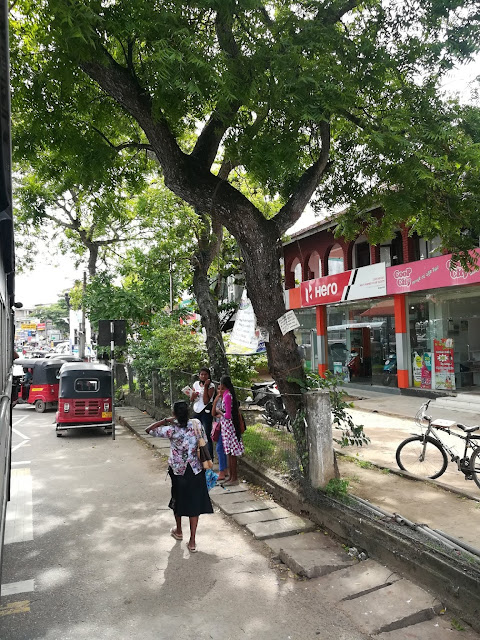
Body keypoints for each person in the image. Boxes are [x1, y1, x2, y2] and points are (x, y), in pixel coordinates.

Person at [145, 400, 213, 552]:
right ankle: (193, 541)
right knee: (194, 504)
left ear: (175, 414)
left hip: (178, 471)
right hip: (196, 470)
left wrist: (165, 420)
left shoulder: (171, 429)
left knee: (178, 500)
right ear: (188, 412)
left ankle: (179, 531)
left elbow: (148, 430)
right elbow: (205, 442)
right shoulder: (196, 425)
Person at [217, 375, 244, 486]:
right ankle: (232, 477)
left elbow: (228, 415)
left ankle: (234, 478)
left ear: (223, 385)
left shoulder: (227, 396)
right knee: (229, 453)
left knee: (232, 453)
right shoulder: (227, 394)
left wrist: (220, 412)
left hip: (229, 428)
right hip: (227, 428)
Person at [191, 367, 215, 460]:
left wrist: (205, 386)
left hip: (205, 412)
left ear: (208, 376)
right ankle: (198, 456)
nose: (203, 376)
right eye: (202, 374)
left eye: (205, 374)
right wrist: (193, 395)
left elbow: (205, 401)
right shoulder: (196, 384)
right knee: (196, 434)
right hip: (196, 410)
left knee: (207, 434)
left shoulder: (211, 386)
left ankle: (209, 458)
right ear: (199, 375)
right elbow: (192, 399)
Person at [212, 389, 229, 482]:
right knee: (220, 448)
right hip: (219, 426)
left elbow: (228, 414)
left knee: (220, 448)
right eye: (218, 389)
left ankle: (222, 471)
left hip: (226, 427)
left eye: (222, 389)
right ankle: (224, 470)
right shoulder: (218, 399)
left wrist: (221, 414)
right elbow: (213, 413)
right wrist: (215, 400)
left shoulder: (228, 398)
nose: (220, 391)